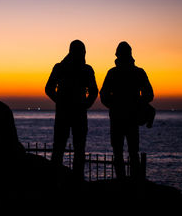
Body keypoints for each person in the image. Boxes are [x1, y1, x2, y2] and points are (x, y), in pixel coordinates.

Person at [100, 41, 154, 179]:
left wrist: (114, 106)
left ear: (117, 55)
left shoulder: (113, 73)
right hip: (130, 118)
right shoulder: (138, 72)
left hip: (120, 118)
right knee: (132, 152)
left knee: (120, 152)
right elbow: (149, 94)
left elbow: (104, 95)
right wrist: (138, 104)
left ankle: (122, 182)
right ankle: (133, 182)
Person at [45, 40, 98, 180]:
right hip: (76, 113)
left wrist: (61, 101)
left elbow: (49, 89)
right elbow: (94, 91)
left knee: (62, 148)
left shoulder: (61, 68)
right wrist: (85, 104)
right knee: (74, 148)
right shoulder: (85, 69)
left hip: (68, 113)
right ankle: (75, 180)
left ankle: (57, 180)